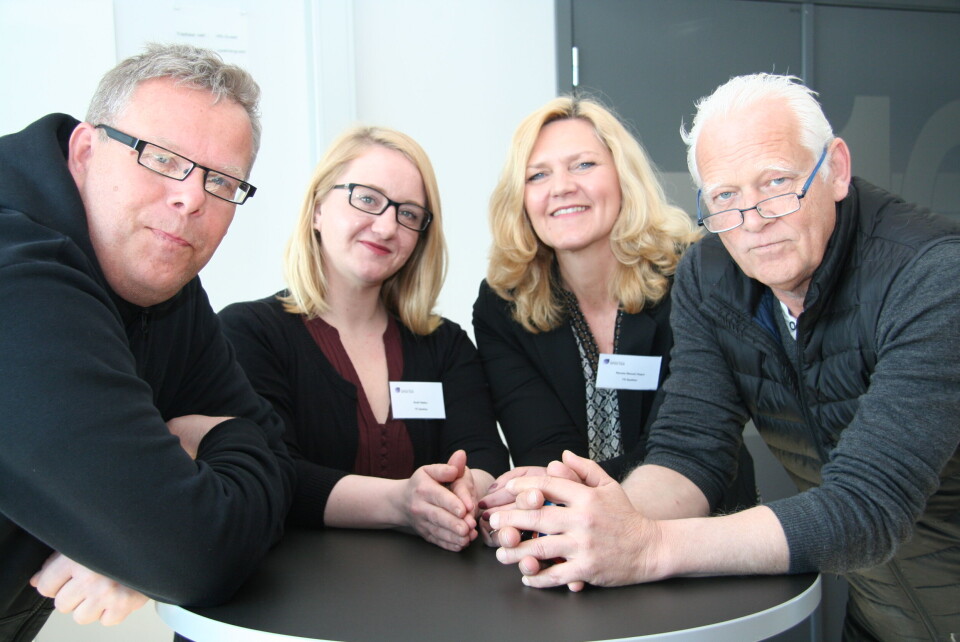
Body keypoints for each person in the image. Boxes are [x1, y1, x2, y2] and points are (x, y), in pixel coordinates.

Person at [490, 74, 960, 641]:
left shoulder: (934, 276)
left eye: (777, 183)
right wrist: (611, 520)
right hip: (883, 615)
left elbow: (868, 507)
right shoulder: (710, 275)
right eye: (725, 197)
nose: (754, 220)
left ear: (835, 168)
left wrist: (649, 546)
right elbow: (691, 448)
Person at [0, 44, 294, 640]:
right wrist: (145, 535)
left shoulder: (163, 283)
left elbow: (277, 462)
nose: (191, 198)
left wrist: (135, 538)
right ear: (85, 150)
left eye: (222, 181)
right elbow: (191, 551)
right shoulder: (16, 269)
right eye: (162, 159)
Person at [219, 126, 509, 553]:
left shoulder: (446, 345)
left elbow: (484, 454)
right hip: (291, 596)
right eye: (368, 199)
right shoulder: (249, 332)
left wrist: (467, 490)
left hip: (429, 597)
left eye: (408, 214)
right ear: (317, 209)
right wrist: (401, 503)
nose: (388, 226)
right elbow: (271, 472)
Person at [473, 96, 756, 518]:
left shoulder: (694, 276)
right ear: (521, 198)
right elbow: (544, 449)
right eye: (537, 175)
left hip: (701, 524)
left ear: (623, 176)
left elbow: (679, 445)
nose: (562, 186)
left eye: (583, 165)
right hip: (571, 532)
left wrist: (553, 490)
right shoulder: (505, 303)